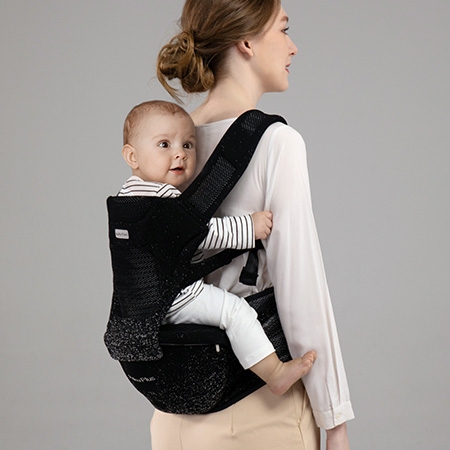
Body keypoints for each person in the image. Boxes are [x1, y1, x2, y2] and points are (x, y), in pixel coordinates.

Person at [153, 1, 355, 449]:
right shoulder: (276, 143)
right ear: (246, 42)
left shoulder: (167, 143)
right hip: (259, 412)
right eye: (283, 29)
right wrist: (334, 420)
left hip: (173, 414)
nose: (293, 47)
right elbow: (301, 291)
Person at [118, 99, 317, 396]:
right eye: (164, 144)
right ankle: (275, 373)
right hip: (177, 296)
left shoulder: (128, 198)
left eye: (187, 145)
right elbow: (199, 234)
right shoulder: (158, 202)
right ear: (132, 156)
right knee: (236, 312)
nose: (179, 154)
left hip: (142, 306)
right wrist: (249, 227)